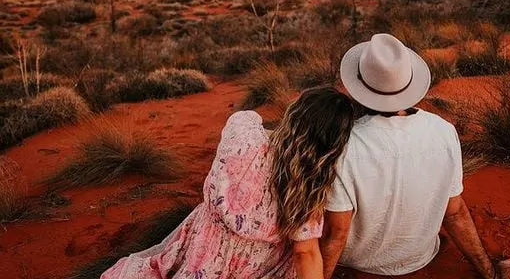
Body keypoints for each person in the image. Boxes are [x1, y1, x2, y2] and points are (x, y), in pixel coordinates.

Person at [320, 33, 510, 279]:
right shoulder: (443, 130)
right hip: (420, 256)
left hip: (361, 261)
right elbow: (455, 212)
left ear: (359, 86)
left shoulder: (345, 145)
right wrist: (491, 273)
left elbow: (336, 234)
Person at [102, 86, 355, 279]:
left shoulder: (244, 135)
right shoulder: (308, 186)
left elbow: (247, 120)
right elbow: (305, 252)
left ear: (294, 114)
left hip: (204, 250)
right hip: (256, 267)